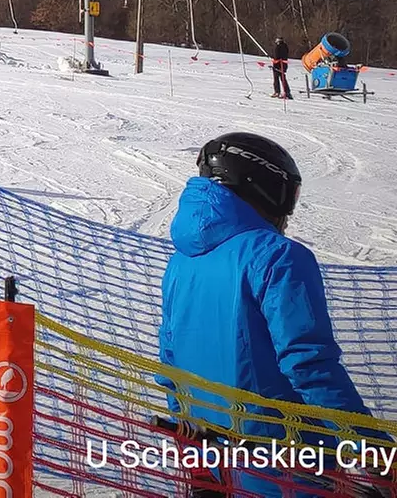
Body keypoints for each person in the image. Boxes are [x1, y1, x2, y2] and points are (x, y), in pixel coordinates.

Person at [160, 133, 382, 486]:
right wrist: (373, 448)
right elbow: (308, 365)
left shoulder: (182, 262)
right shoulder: (278, 256)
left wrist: (198, 460)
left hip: (217, 462)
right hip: (286, 467)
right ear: (262, 186)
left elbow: (171, 365)